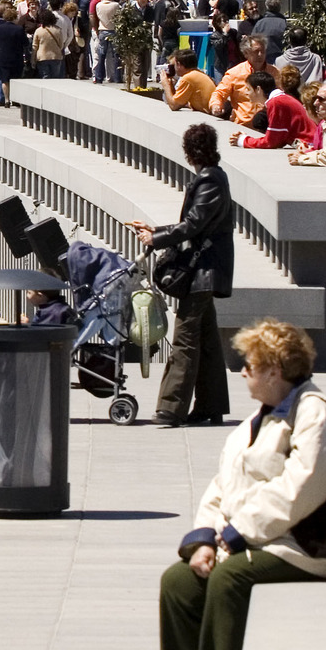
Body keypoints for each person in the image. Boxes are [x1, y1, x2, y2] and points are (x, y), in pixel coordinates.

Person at [144, 320, 326, 650]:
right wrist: (205, 537)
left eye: (250, 365)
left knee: (230, 580)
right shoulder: (258, 418)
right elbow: (223, 483)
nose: (243, 372)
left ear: (274, 371)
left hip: (310, 545)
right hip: (264, 538)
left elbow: (305, 485)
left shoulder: (313, 411)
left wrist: (239, 532)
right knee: (179, 580)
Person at [129, 122, 236, 427]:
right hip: (207, 271)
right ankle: (210, 406)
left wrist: (157, 239)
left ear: (190, 152)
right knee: (207, 341)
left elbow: (193, 224)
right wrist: (155, 230)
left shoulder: (210, 181)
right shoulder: (213, 177)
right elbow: (195, 223)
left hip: (203, 272)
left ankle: (171, 407)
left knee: (186, 337)